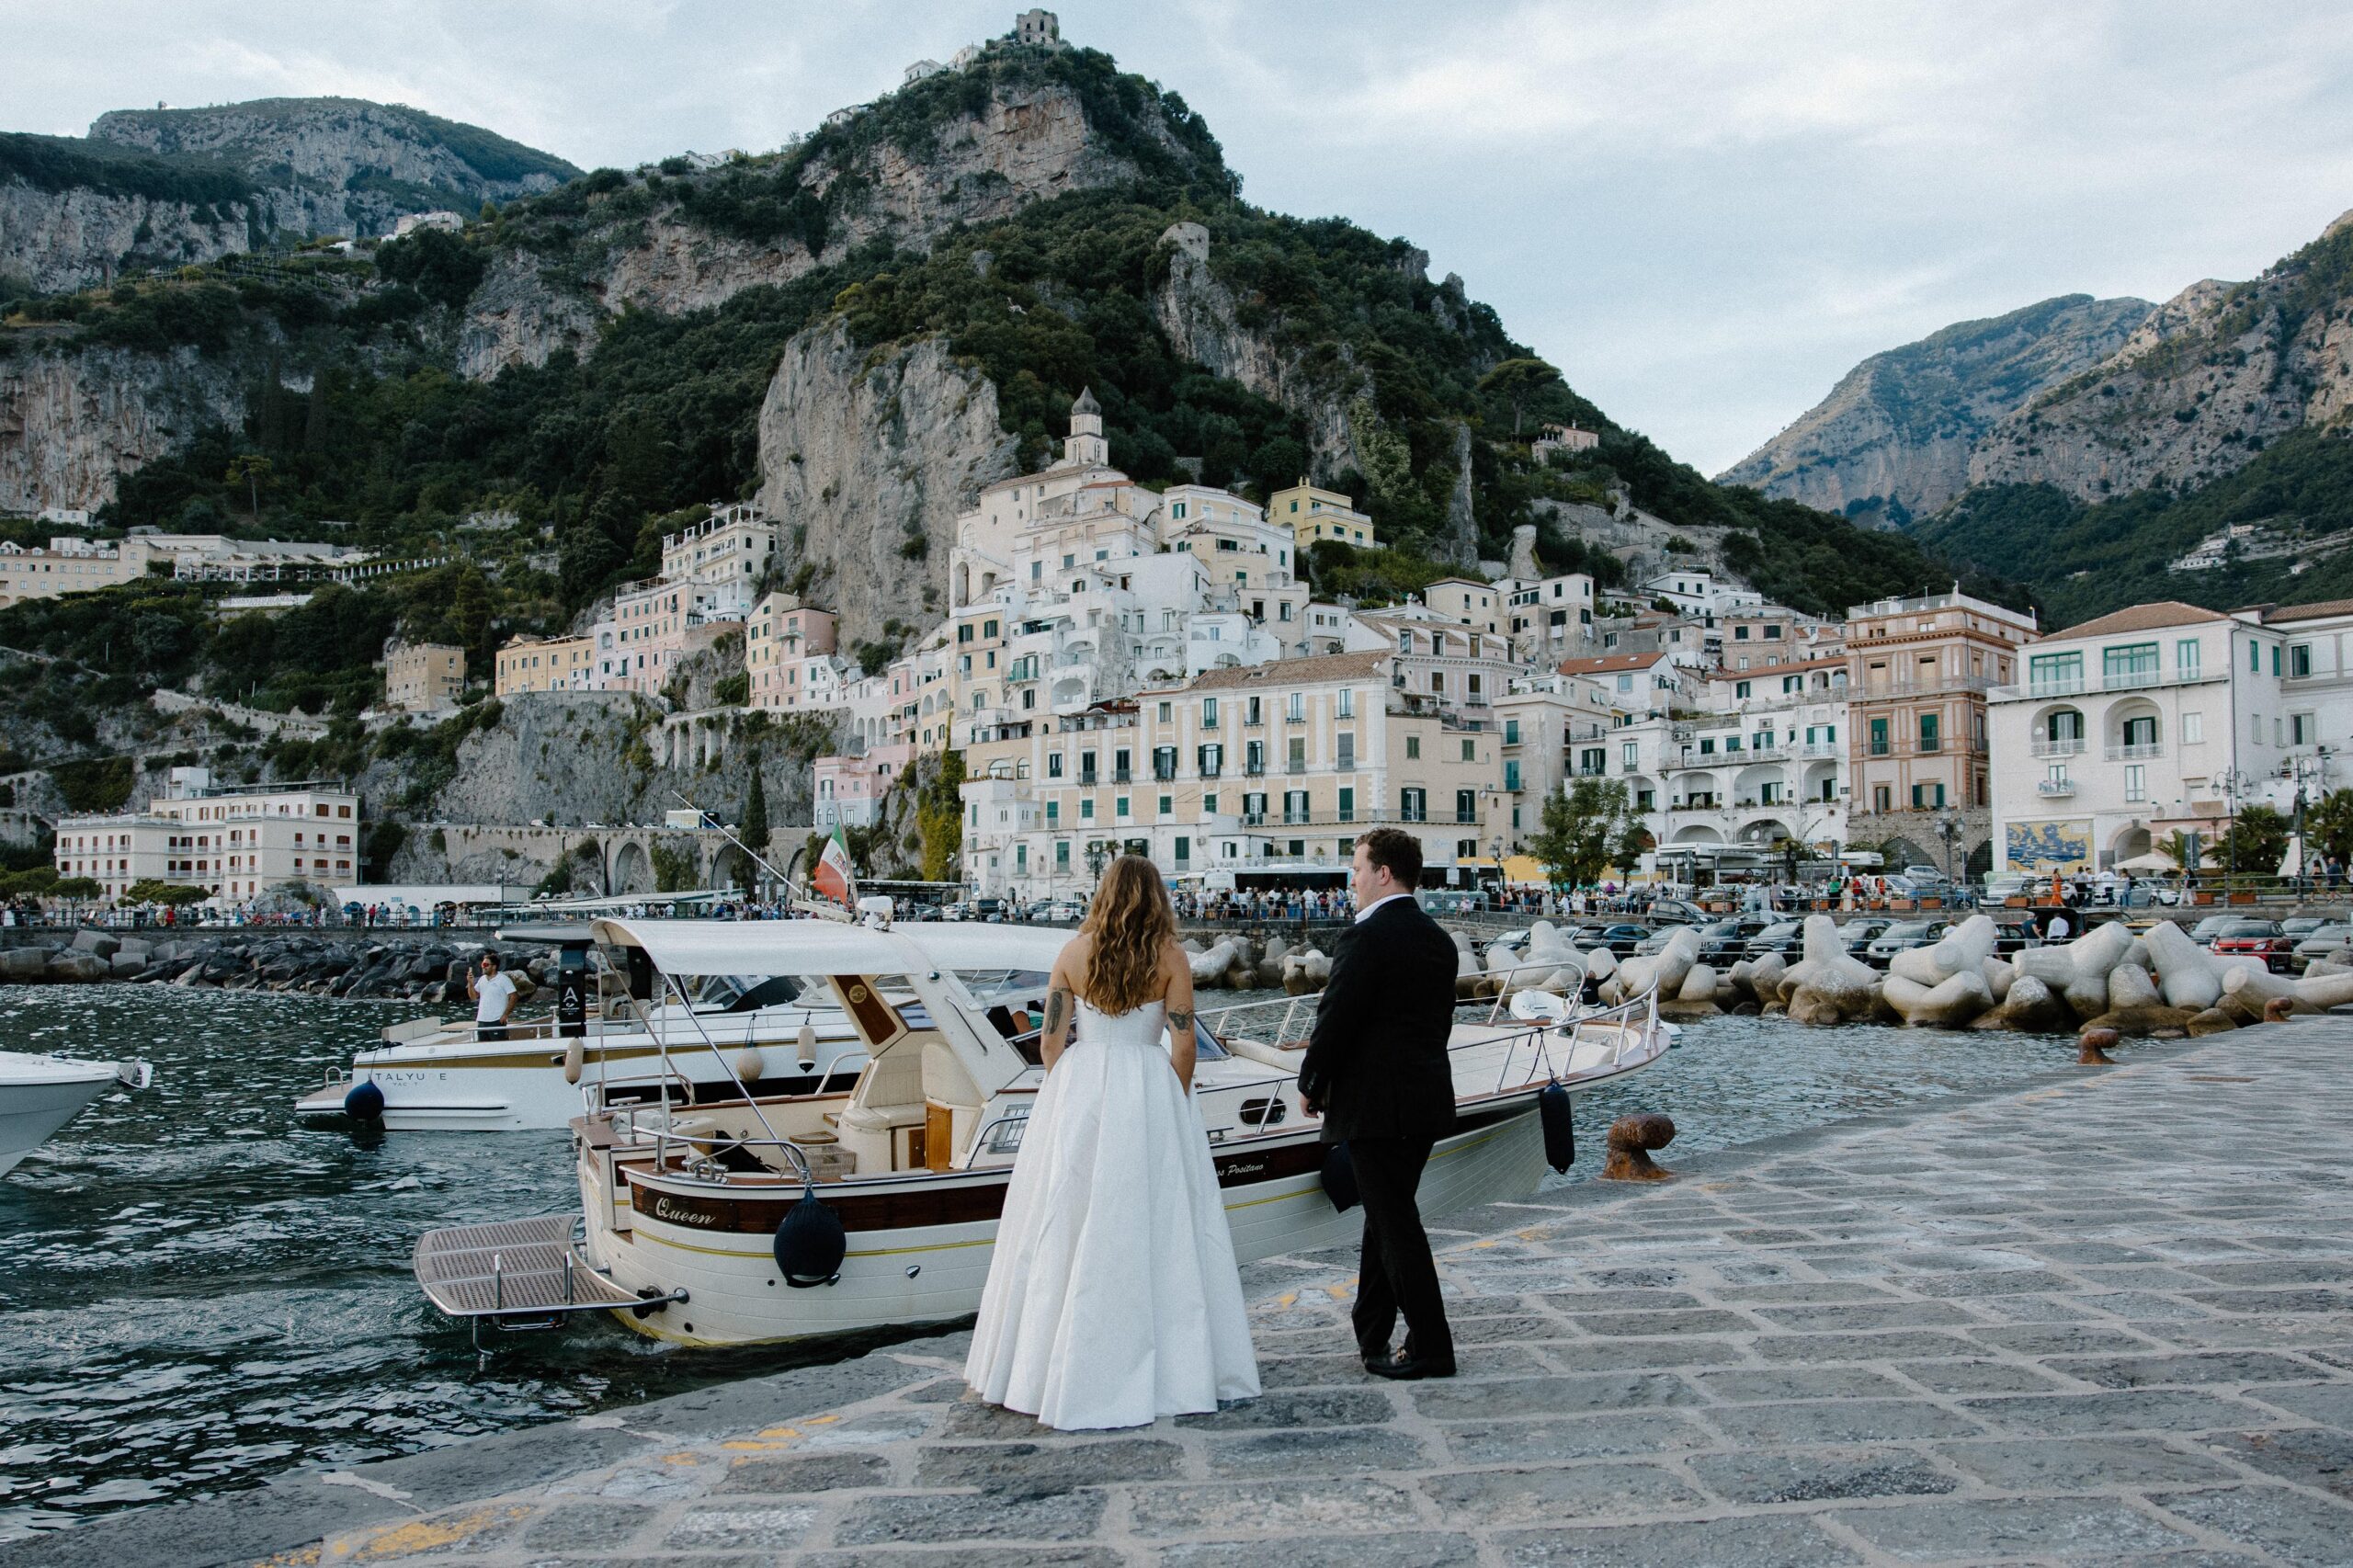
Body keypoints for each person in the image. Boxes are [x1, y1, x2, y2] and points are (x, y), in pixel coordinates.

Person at [966, 855, 1260, 1430]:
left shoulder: (1072, 954)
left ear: (1102, 895)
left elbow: (1050, 1043)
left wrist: (1069, 1088)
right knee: (1157, 1223)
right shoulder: (1170, 957)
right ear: (1156, 899)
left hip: (1082, 1088)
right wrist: (1170, 1101)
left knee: (1064, 1219)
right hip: (1148, 1084)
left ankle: (1046, 1366)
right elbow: (1184, 1048)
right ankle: (1172, 1366)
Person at [1297, 827, 1461, 1381]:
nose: (1353, 879)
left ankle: (1433, 1345)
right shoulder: (1440, 940)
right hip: (1425, 1100)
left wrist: (1311, 1081)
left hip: (1373, 1106)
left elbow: (1336, 1018)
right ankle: (1371, 1333)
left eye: (1359, 868)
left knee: (1395, 1226)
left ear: (1383, 873)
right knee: (1384, 1220)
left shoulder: (1365, 938)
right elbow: (1438, 1025)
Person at [468, 951, 517, 1041]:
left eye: (486, 964)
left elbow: (514, 996)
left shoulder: (503, 979)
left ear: (494, 966)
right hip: (482, 1020)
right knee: (483, 1049)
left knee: (499, 1048)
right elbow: (474, 997)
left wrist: (506, 1014)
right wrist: (471, 984)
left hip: (497, 1021)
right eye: (482, 964)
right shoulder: (482, 979)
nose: (483, 966)